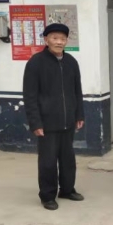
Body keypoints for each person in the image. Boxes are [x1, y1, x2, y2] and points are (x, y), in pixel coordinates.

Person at [23, 23, 85, 211]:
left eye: (62, 39)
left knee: (68, 160)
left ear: (66, 41)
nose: (59, 42)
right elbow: (30, 95)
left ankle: (67, 190)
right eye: (55, 38)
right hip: (47, 123)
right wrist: (35, 122)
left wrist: (79, 114)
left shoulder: (71, 62)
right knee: (48, 162)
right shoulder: (36, 63)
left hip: (68, 121)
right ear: (46, 40)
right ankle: (48, 196)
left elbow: (77, 91)